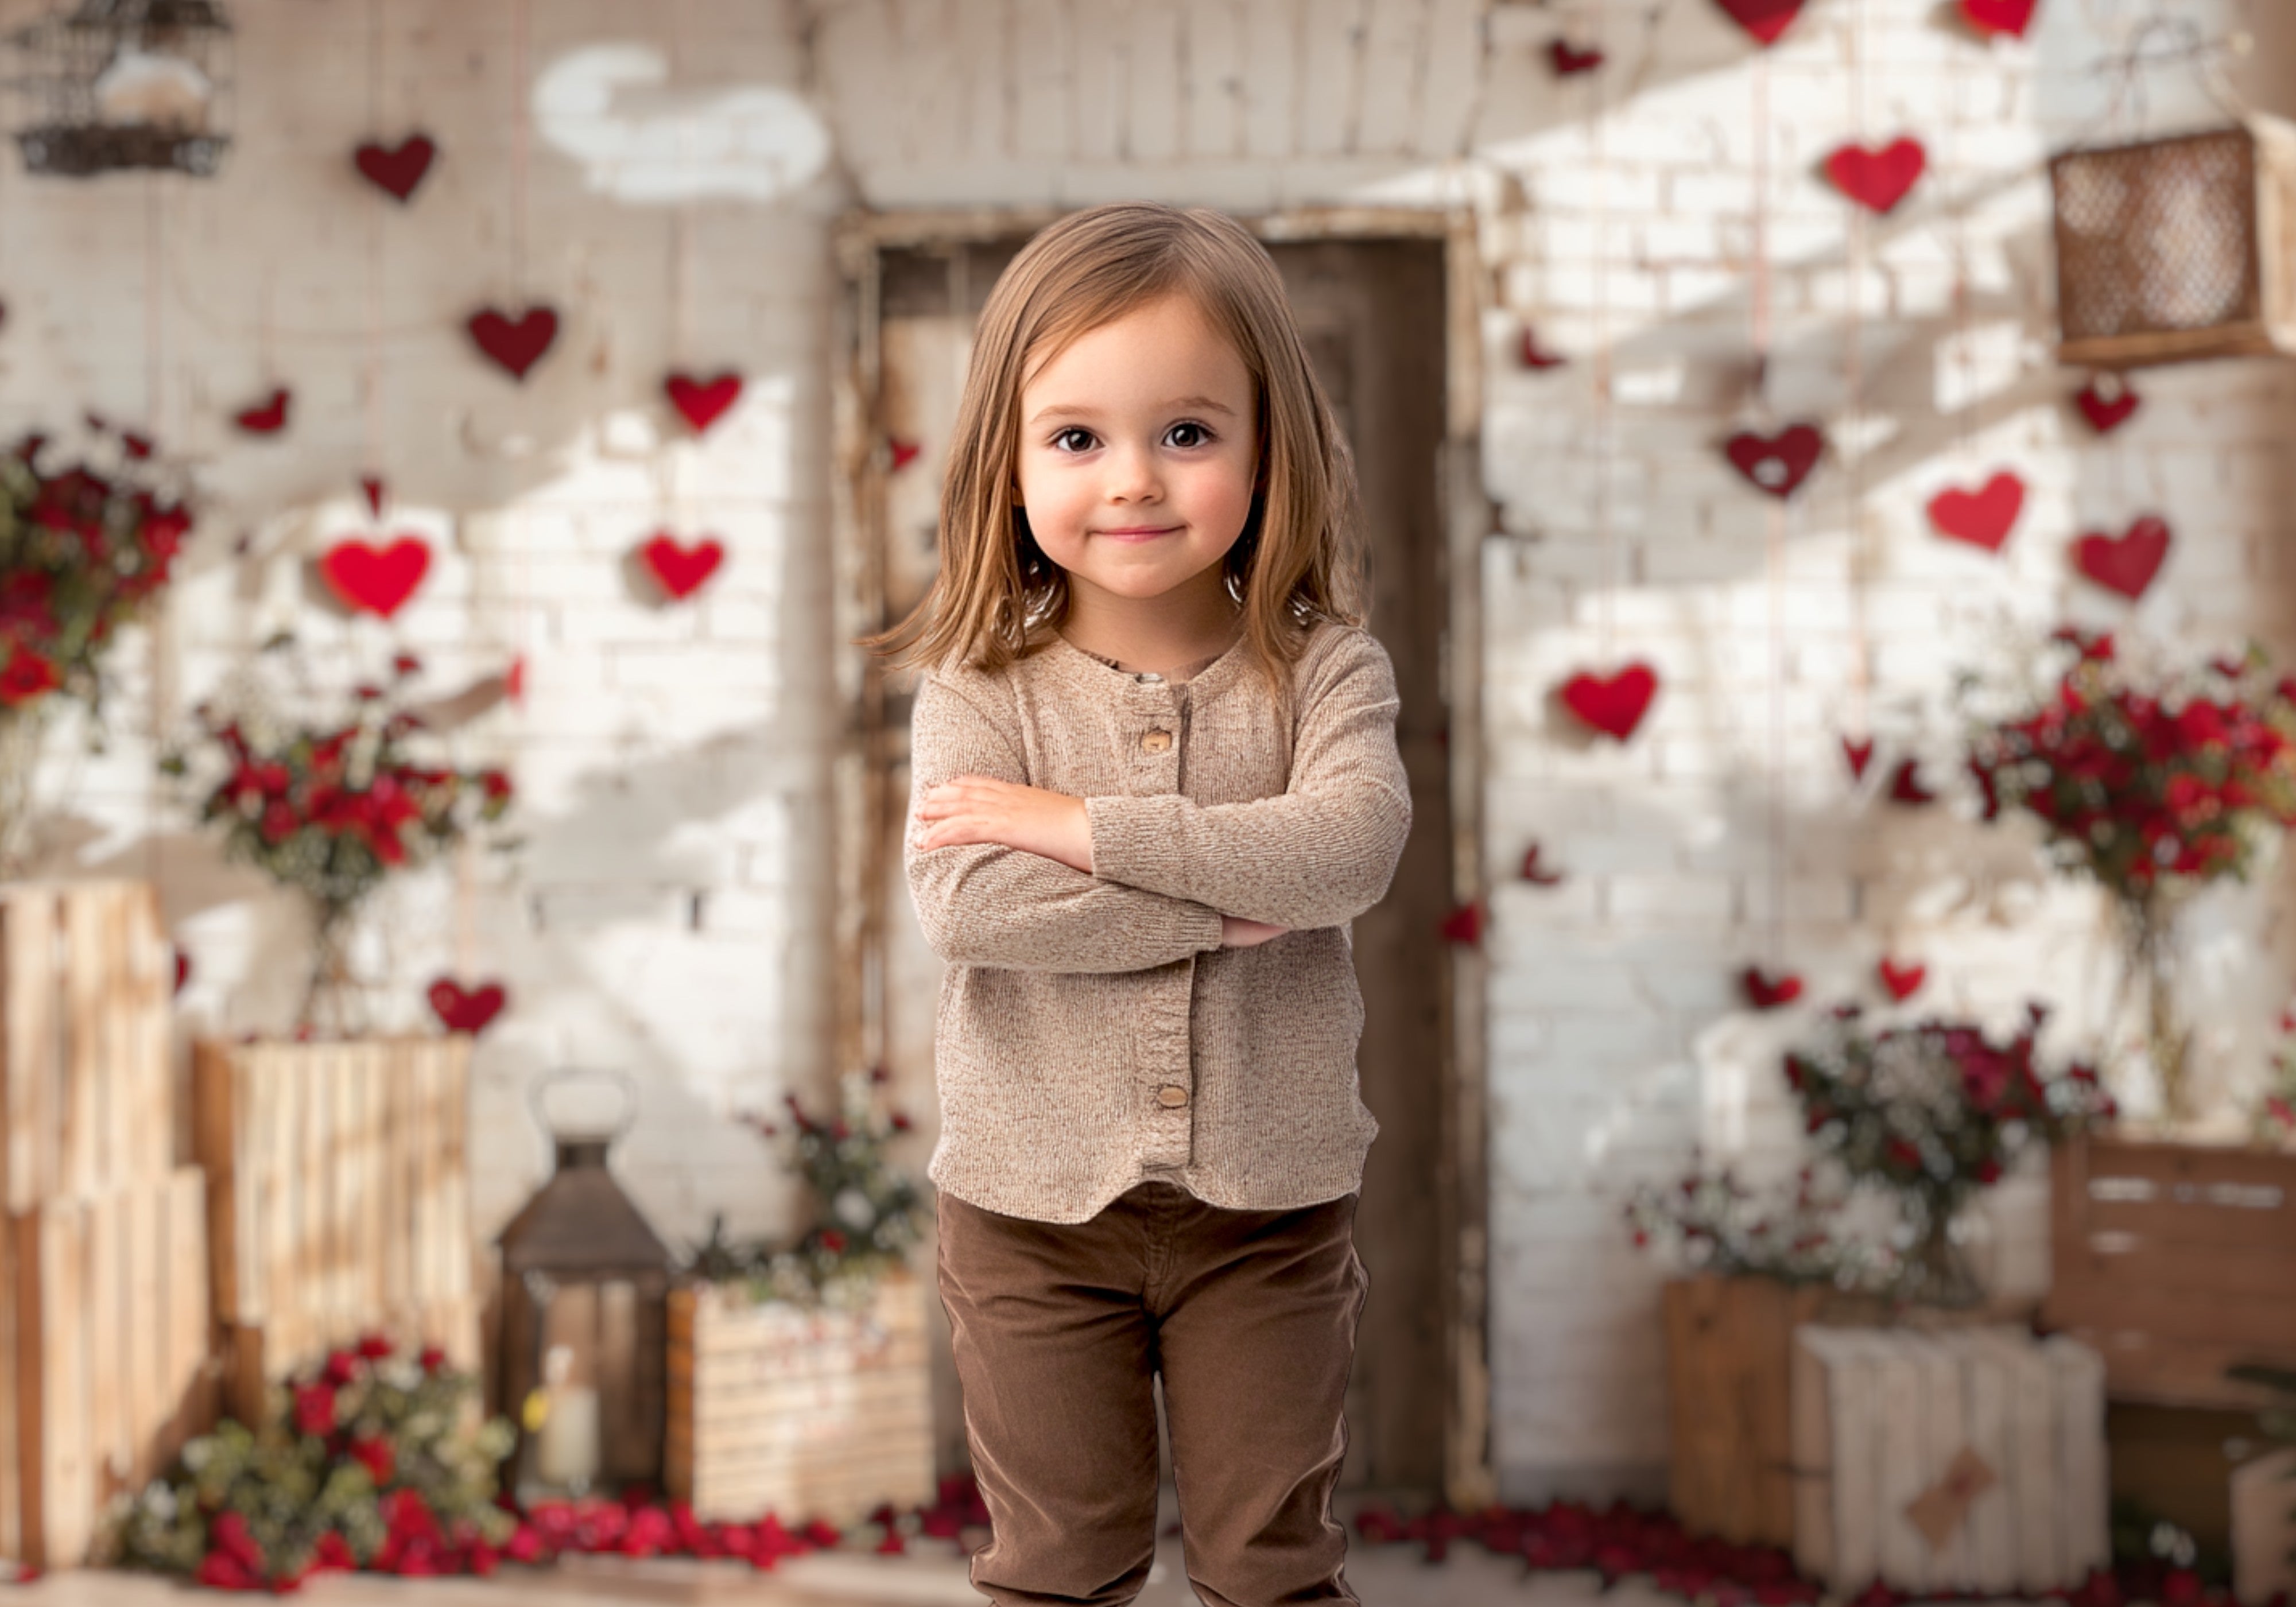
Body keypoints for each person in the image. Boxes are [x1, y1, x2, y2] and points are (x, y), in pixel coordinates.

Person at [875, 201, 1411, 1607]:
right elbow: (972, 905)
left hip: (1270, 1213)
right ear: (1008, 459)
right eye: (1076, 438)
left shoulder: (1325, 673)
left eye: (1185, 432)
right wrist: (1225, 900)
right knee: (1055, 1563)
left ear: (1264, 445)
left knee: (1269, 1564)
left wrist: (1078, 829)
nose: (1133, 480)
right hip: (1026, 1215)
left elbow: (1347, 849)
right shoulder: (976, 692)